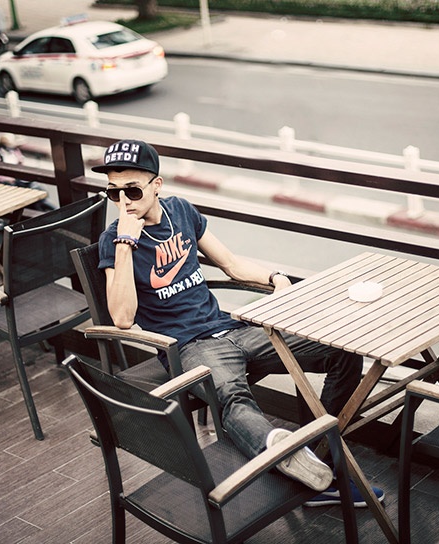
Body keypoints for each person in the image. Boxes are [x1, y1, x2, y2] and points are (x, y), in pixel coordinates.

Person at [94, 139, 384, 506]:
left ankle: (315, 455)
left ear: (157, 185)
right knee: (232, 399)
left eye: (132, 190)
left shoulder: (180, 211)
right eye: (113, 192)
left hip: (233, 329)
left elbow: (230, 263)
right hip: (188, 348)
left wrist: (275, 277)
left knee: (341, 352)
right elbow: (122, 318)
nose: (123, 201)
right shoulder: (113, 241)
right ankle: (288, 460)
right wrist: (125, 243)